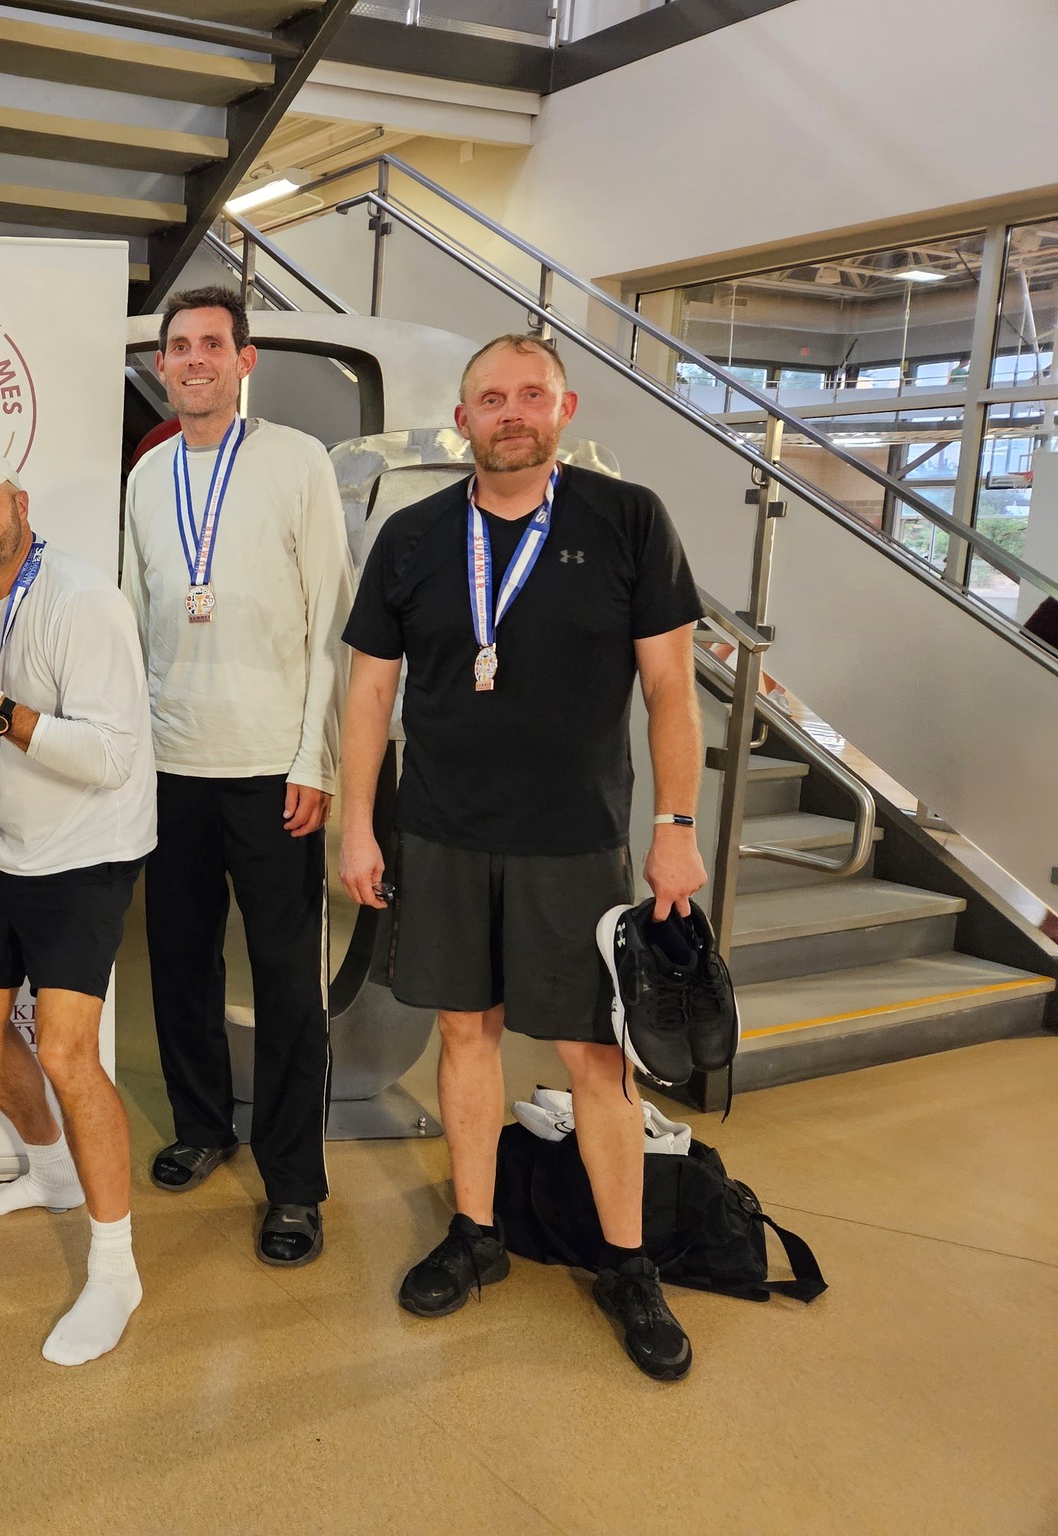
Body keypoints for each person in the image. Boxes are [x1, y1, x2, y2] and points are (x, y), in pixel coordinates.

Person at [337, 334, 708, 1380]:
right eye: (489, 398)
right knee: (463, 1034)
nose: (509, 412)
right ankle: (474, 1231)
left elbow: (670, 689)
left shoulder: (625, 520)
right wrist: (357, 823)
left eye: (528, 396)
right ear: (460, 419)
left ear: (563, 407)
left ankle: (626, 1264)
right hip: (442, 832)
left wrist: (673, 831)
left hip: (575, 840)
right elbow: (368, 693)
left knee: (595, 1057)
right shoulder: (411, 537)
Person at [121, 285, 353, 1266]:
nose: (193, 360)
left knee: (287, 984)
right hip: (171, 762)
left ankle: (292, 1180)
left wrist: (316, 759)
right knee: (178, 963)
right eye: (178, 347)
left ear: (242, 360)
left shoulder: (296, 462)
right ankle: (202, 1122)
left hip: (271, 770)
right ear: (163, 366)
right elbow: (132, 617)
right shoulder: (145, 475)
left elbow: (330, 624)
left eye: (211, 344)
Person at [0, 442, 158, 1367]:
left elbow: (109, 757)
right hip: (5, 849)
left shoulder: (84, 600)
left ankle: (115, 1271)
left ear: (18, 500)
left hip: (87, 852)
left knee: (66, 1050)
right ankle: (53, 1171)